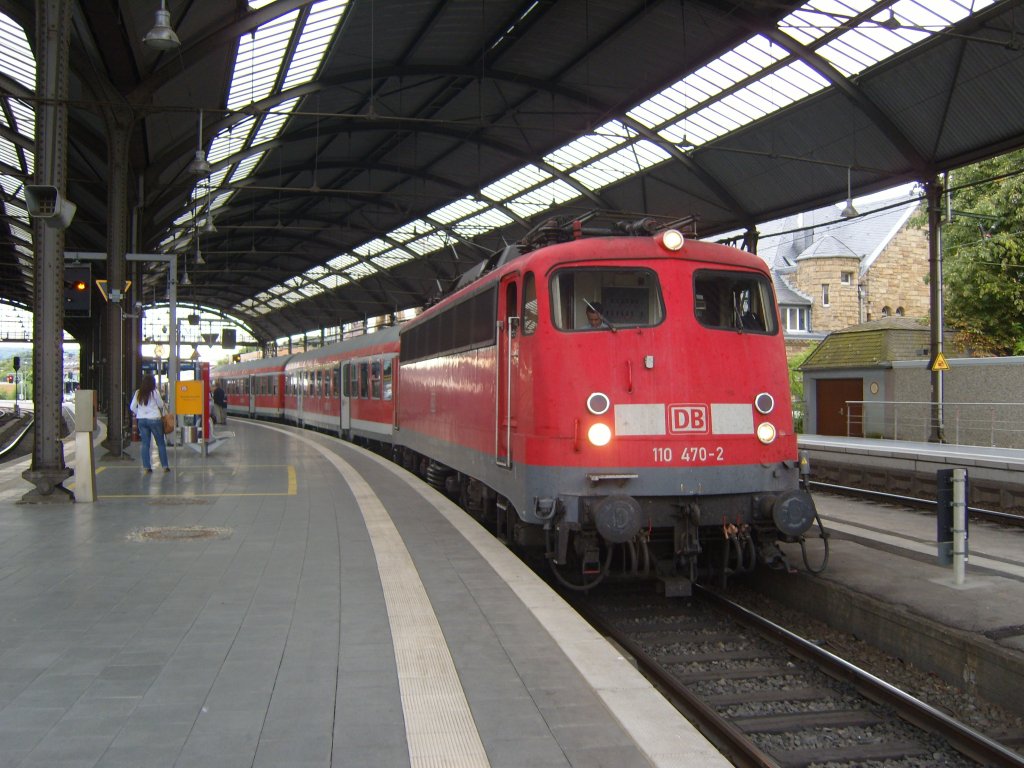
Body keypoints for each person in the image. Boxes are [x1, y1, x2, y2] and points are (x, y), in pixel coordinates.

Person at [130, 373, 170, 473]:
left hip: (142, 420)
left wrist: (139, 413)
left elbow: (132, 407)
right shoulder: (155, 392)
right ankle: (165, 466)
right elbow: (161, 405)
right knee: (160, 443)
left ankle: (147, 467)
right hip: (154, 420)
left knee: (145, 444)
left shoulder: (138, 393)